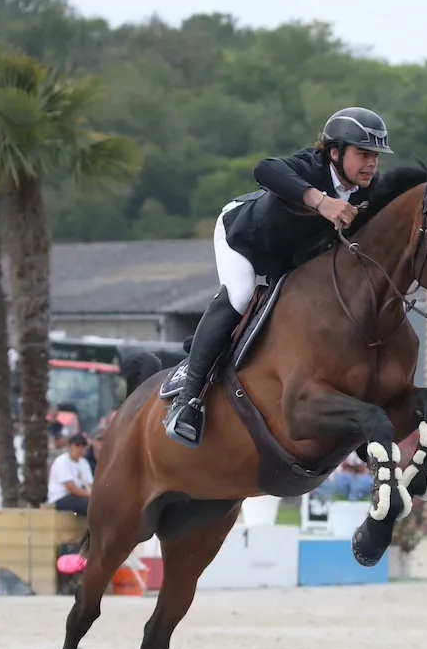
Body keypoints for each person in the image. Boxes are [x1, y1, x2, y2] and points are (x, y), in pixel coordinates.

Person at [164, 107, 394, 447]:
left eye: (375, 156)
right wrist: (321, 202)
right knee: (241, 296)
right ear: (334, 152)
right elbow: (264, 169)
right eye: (363, 154)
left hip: (292, 259)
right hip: (246, 240)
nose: (371, 164)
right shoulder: (310, 166)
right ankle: (188, 402)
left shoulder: (371, 190)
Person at [47, 433, 93, 517]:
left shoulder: (84, 463)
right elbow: (72, 489)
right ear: (70, 446)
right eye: (77, 446)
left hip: (78, 496)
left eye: (83, 446)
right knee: (90, 506)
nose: (80, 449)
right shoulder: (61, 461)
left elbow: (90, 484)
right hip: (60, 497)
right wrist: (91, 495)